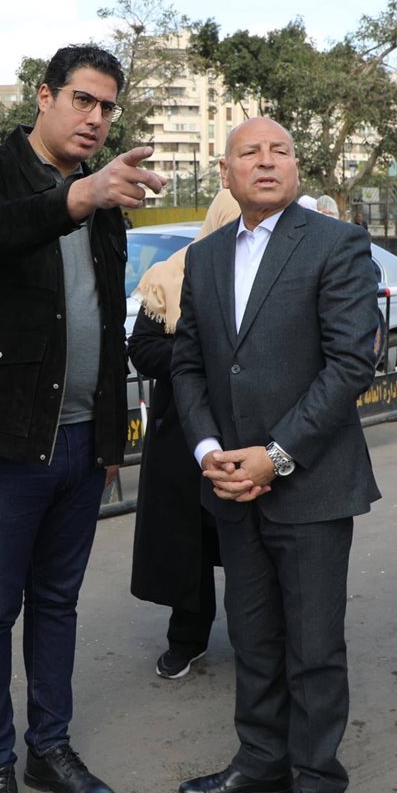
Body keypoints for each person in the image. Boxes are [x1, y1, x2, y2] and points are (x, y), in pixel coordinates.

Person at [0, 45, 165, 793]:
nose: (95, 119)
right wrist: (78, 196)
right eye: (82, 100)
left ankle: (49, 748)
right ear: (44, 96)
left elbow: (104, 317)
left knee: (58, 604)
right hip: (2, 442)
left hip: (78, 443)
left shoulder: (106, 200)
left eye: (107, 107)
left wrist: (110, 437)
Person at [172, 117, 381, 793]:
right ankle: (261, 762)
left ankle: (317, 789)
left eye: (280, 151)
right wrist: (209, 450)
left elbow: (351, 363)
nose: (266, 161)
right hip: (230, 484)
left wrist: (276, 455)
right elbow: (189, 364)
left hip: (311, 485)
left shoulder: (335, 244)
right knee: (253, 634)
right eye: (249, 152)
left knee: (314, 646)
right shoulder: (204, 258)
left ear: (296, 166)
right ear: (225, 172)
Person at [128, 189, 241, 680]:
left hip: (250, 433)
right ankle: (186, 638)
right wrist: (198, 357)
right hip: (182, 434)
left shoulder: (269, 274)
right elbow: (142, 349)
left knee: (247, 540)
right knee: (187, 538)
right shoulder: (170, 276)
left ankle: (258, 642)